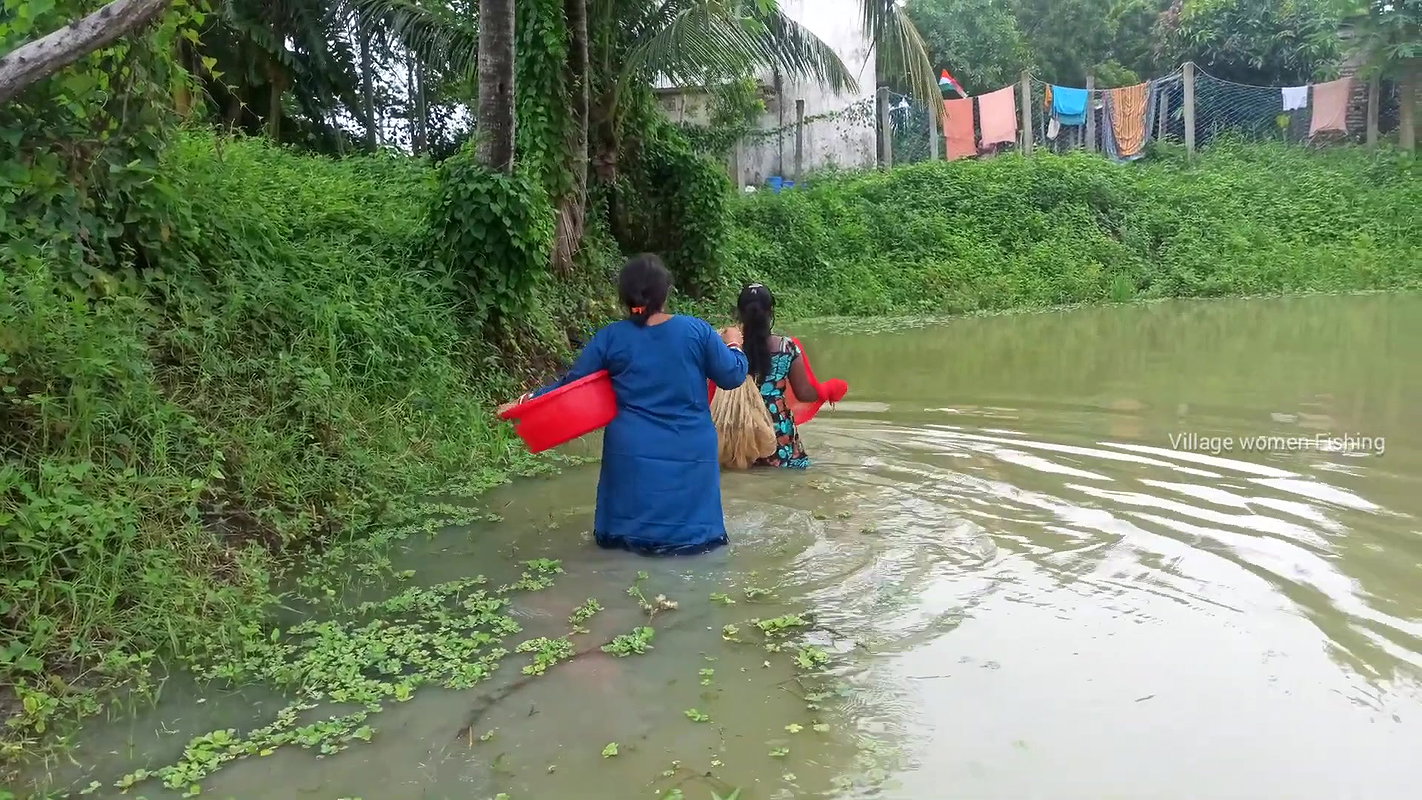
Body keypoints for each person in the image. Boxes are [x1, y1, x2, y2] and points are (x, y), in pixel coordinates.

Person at [497, 254, 749, 555]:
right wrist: (734, 343)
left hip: (630, 451)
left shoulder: (611, 337)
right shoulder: (697, 331)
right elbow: (732, 376)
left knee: (620, 544)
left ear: (625, 296)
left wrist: (525, 402)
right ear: (666, 291)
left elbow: (570, 386)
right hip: (689, 451)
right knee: (696, 547)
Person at [731, 283, 823, 469]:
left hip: (737, 429)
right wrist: (827, 391)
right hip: (776, 431)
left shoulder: (728, 347)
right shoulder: (786, 348)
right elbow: (804, 393)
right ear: (771, 311)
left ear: (739, 313)